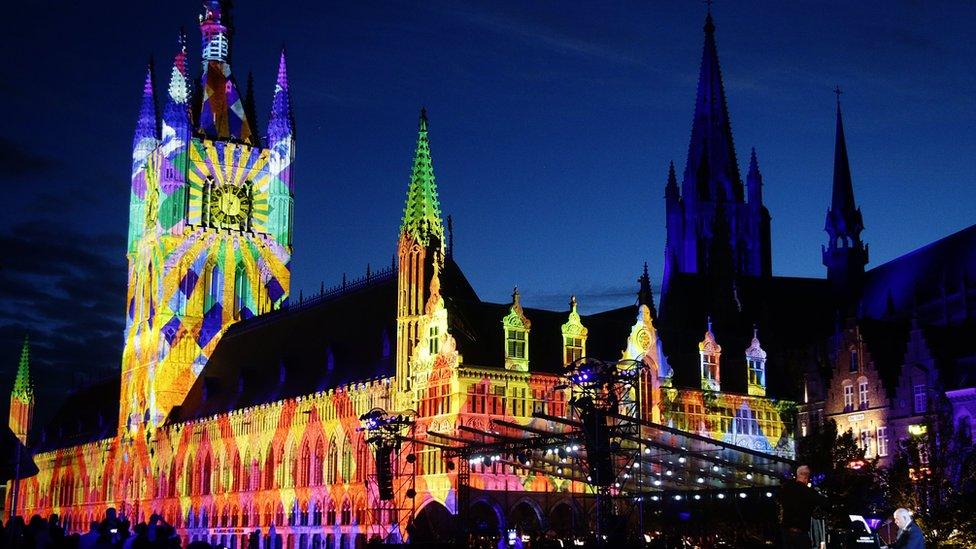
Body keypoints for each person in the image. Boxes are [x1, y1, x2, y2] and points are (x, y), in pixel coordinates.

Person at [777, 464, 827, 548]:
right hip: (800, 533)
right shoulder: (808, 492)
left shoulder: (785, 489)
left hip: (785, 532)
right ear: (806, 476)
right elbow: (824, 503)